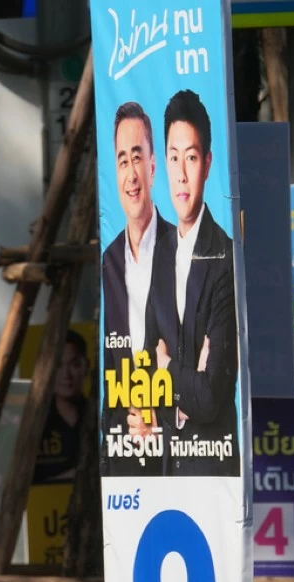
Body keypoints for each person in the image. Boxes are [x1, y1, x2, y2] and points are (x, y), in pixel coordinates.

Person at [147, 89, 239, 477]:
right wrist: (183, 382)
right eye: (173, 157)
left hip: (213, 464)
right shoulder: (154, 251)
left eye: (191, 157)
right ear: (161, 163)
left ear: (207, 164)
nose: (181, 174)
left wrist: (167, 367)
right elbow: (142, 367)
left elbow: (210, 398)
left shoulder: (225, 257)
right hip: (163, 462)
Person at [101, 101, 176, 477]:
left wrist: (159, 423)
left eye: (137, 157)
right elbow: (109, 362)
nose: (130, 174)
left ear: (153, 165)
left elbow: (207, 364)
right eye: (121, 161)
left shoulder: (183, 249)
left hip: (176, 455)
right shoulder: (109, 259)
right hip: (122, 455)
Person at [33, 330, 89, 484]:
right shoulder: (36, 424)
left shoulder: (101, 418)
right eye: (58, 365)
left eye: (74, 364)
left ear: (86, 367)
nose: (66, 374)